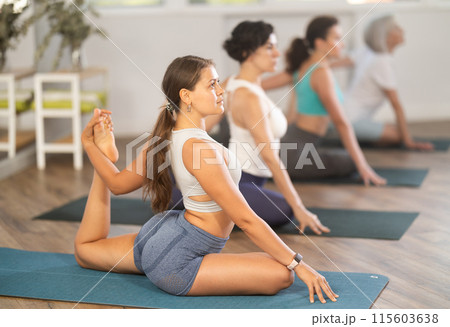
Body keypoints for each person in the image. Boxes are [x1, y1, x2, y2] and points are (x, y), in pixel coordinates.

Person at [75, 55, 338, 302]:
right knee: (282, 274)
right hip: (177, 260)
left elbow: (117, 184)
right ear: (186, 96)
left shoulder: (166, 137)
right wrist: (300, 265)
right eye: (212, 85)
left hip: (164, 234)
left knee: (85, 250)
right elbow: (245, 219)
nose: (221, 90)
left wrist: (97, 152)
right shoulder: (199, 149)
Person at [171, 21, 329, 234]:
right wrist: (300, 208)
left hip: (248, 179)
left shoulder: (233, 83)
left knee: (280, 208)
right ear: (248, 53)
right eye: (269, 47)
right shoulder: (248, 96)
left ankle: (196, 195)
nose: (277, 53)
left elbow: (202, 126)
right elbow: (271, 158)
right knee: (286, 210)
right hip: (240, 179)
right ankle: (189, 197)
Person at [262, 16, 386, 186]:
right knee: (350, 162)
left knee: (340, 153)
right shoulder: (321, 73)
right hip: (296, 154)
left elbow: (259, 85)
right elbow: (342, 123)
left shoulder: (303, 66)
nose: (341, 44)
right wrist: (362, 166)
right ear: (320, 43)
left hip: (291, 143)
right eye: (336, 38)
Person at [333, 15, 433, 150]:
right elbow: (396, 105)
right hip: (350, 120)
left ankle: (349, 137)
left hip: (339, 114)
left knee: (394, 129)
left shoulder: (367, 52)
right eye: (396, 28)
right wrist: (408, 141)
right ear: (385, 36)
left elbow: (333, 64)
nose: (402, 30)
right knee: (398, 135)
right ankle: (349, 138)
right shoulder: (382, 61)